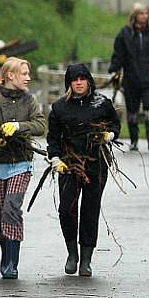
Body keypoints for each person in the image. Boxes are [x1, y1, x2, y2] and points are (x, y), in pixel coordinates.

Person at [47, 63, 121, 277]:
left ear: (88, 80)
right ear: (69, 83)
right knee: (66, 209)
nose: (78, 82)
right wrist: (55, 158)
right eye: (74, 79)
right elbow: (53, 138)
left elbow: (115, 124)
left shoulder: (101, 103)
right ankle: (72, 253)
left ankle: (86, 259)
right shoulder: (60, 107)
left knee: (90, 210)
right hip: (70, 163)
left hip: (95, 163)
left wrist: (110, 135)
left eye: (82, 78)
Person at [0, 57, 46, 279]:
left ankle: (12, 264)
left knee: (11, 209)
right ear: (10, 76)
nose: (28, 77)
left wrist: (18, 126)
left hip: (21, 163)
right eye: (24, 73)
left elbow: (41, 125)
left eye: (28, 73)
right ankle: (5, 255)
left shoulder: (30, 101)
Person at [108, 2, 149, 151]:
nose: (144, 16)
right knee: (132, 111)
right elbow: (118, 55)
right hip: (131, 79)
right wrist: (114, 70)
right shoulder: (125, 34)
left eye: (146, 13)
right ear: (135, 15)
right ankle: (134, 140)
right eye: (141, 13)